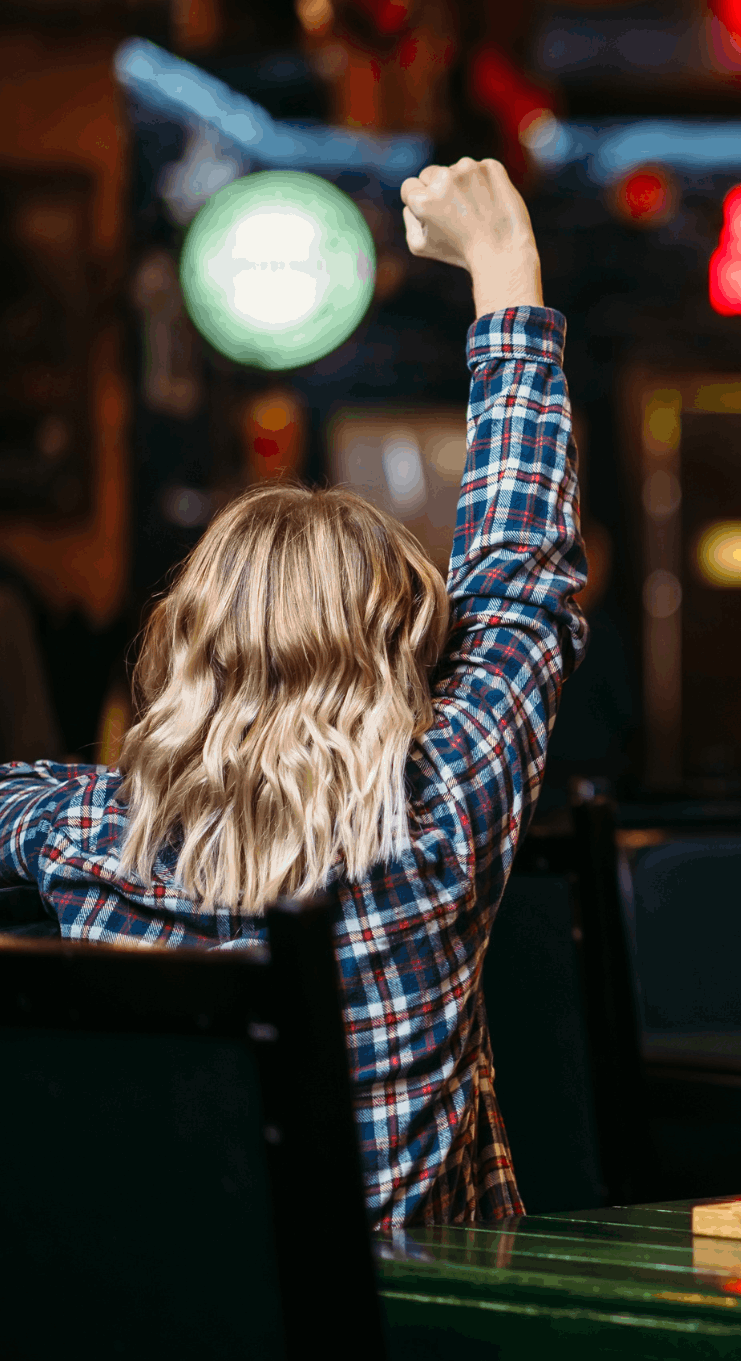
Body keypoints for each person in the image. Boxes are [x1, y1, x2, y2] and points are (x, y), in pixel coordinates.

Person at [0, 159, 584, 1229]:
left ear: (184, 650)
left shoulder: (79, 833)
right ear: (406, 656)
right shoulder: (439, 810)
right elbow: (520, 583)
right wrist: (507, 268)